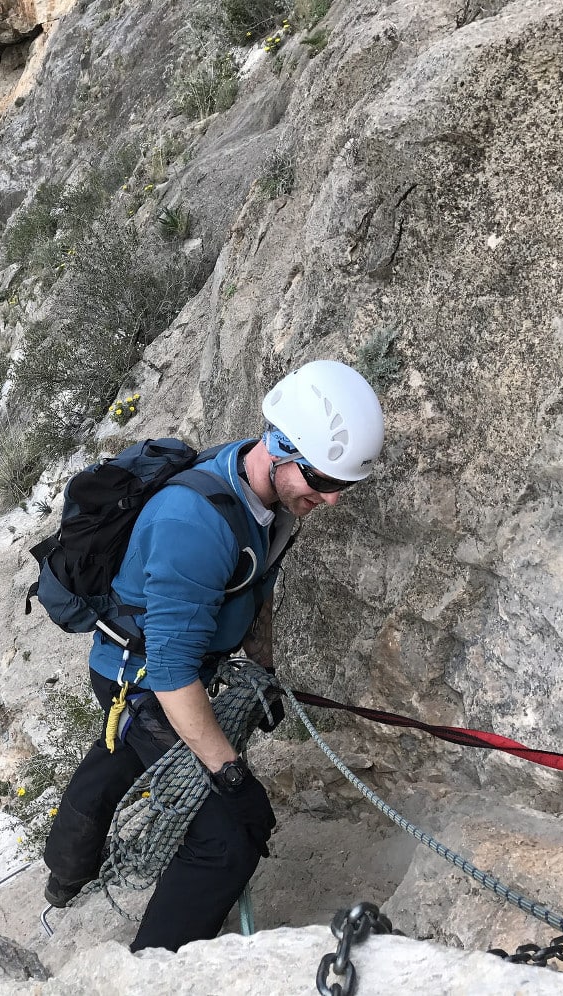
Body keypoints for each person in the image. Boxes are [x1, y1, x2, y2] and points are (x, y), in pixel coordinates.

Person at [41, 360, 385, 952]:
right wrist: (230, 774)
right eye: (321, 480)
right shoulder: (194, 524)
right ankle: (154, 970)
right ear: (279, 448)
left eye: (342, 486)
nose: (330, 499)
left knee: (118, 757)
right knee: (230, 837)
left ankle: (66, 871)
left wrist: (265, 670)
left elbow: (257, 585)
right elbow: (173, 680)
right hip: (145, 679)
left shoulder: (263, 489)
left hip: (164, 670)